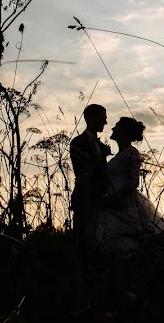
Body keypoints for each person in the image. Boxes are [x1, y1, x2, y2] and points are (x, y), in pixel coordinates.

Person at [93, 116, 164, 252]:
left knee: (126, 240)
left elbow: (133, 182)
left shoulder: (131, 153)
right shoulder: (119, 154)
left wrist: (115, 198)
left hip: (122, 203)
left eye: (116, 126)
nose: (112, 128)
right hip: (110, 203)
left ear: (123, 131)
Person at [70, 104, 111, 244]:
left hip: (101, 199)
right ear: (91, 119)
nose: (105, 122)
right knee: (83, 239)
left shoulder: (100, 146)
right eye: (102, 119)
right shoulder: (77, 142)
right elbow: (82, 172)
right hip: (85, 197)